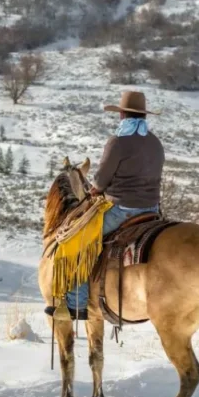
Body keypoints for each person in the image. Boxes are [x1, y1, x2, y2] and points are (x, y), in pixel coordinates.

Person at [66, 90, 165, 320]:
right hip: (152, 211)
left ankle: (76, 303)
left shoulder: (117, 142)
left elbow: (101, 180)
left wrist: (95, 190)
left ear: (122, 115)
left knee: (78, 241)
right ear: (143, 116)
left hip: (122, 210)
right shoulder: (155, 143)